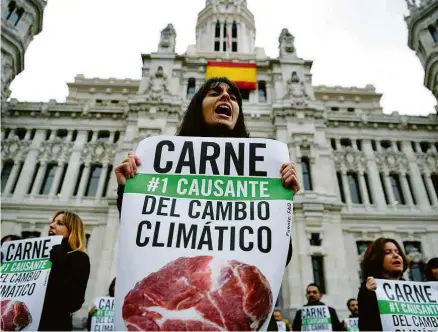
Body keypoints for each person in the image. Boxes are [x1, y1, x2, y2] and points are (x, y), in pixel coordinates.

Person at [114, 77, 300, 331]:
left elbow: (279, 255)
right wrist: (128, 189)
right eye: (215, 93)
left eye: (234, 97)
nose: (226, 97)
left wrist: (282, 205)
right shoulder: (163, 161)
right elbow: (143, 230)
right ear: (196, 106)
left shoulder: (263, 171)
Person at [38, 211, 91, 331]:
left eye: (60, 223)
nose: (52, 225)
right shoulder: (39, 256)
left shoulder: (79, 258)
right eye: (53, 221)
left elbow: (74, 302)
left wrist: (60, 261)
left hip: (53, 326)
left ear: (72, 230)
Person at [357, 237, 408, 331]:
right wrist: (368, 295)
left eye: (398, 252)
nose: (396, 255)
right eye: (388, 252)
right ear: (377, 259)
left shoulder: (410, 289)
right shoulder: (369, 289)